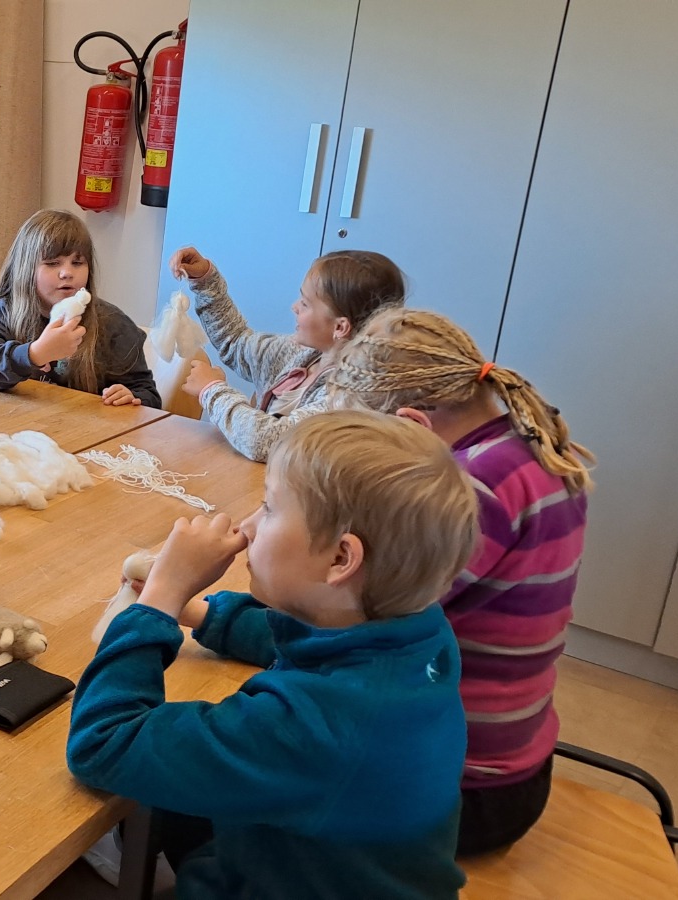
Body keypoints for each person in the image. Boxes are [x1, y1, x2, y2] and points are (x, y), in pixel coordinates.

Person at [68, 409, 479, 899]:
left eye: (268, 507)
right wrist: (197, 612)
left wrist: (160, 599)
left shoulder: (315, 725)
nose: (248, 525)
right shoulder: (420, 633)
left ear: (340, 558)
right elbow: (303, 634)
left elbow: (103, 743)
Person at [329, 307, 594, 856]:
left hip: (460, 791)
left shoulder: (471, 489)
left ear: (411, 424)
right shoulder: (527, 447)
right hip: (513, 767)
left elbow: (361, 618)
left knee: (235, 785)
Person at [168, 246, 404, 460]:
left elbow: (265, 441)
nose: (295, 307)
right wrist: (205, 280)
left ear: (340, 327)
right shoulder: (301, 353)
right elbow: (236, 341)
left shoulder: (353, 397)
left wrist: (212, 390)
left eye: (305, 303)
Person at [0, 209, 159, 407]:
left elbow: (149, 396)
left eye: (77, 263)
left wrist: (131, 396)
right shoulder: (3, 313)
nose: (67, 272)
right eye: (52, 263)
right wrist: (35, 354)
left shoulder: (113, 323)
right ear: (26, 270)